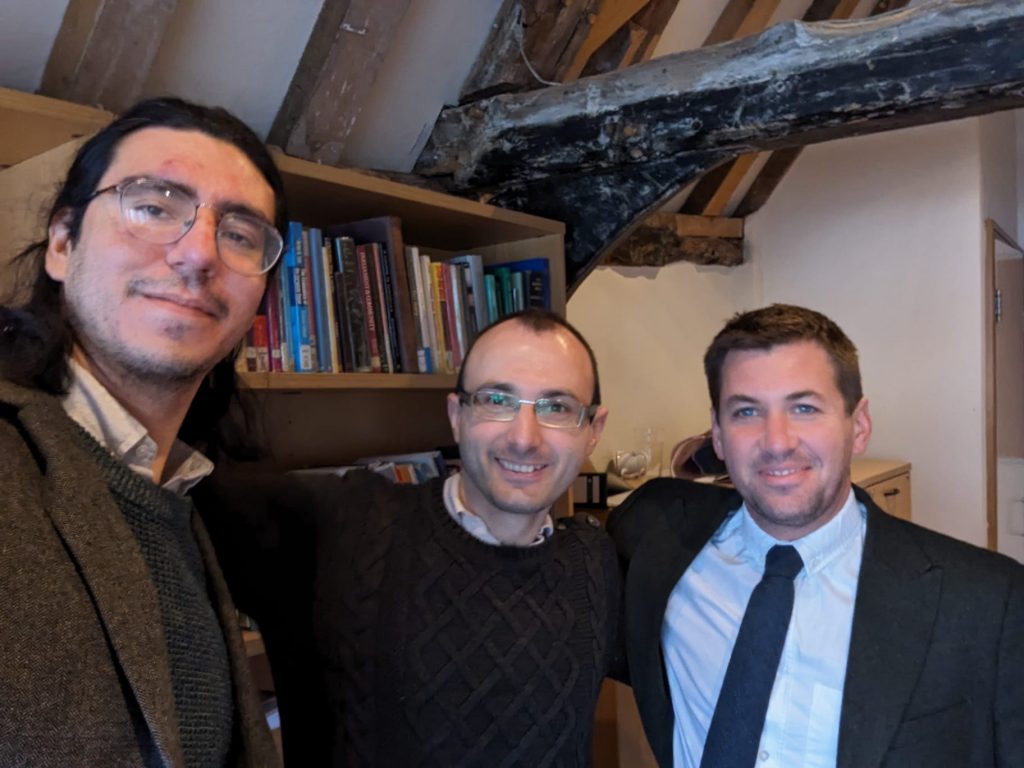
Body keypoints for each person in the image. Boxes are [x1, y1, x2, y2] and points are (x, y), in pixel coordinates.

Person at [607, 304, 1024, 768]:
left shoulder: (989, 602)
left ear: (858, 425)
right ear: (718, 436)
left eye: (804, 408)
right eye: (746, 412)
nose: (777, 442)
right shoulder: (655, 534)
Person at [198, 309, 619, 767]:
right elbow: (172, 497)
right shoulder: (337, 526)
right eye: (496, 400)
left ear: (593, 431)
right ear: (456, 416)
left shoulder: (595, 561)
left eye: (557, 408)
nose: (524, 437)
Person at [0, 97, 287, 766]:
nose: (199, 253)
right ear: (63, 243)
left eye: (241, 234)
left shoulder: (182, 499)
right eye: (155, 207)